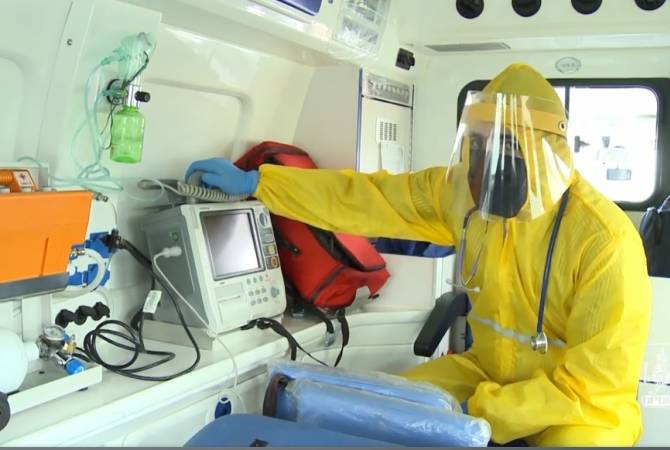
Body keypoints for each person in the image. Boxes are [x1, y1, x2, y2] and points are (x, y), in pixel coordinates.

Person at [186, 63, 651, 446]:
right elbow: (368, 197)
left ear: (545, 153)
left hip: (578, 409)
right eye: (478, 145)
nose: (484, 163)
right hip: (488, 375)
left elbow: (590, 384)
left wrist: (481, 412)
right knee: (389, 414)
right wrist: (262, 183)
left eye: (504, 147)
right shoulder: (462, 196)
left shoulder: (603, 242)